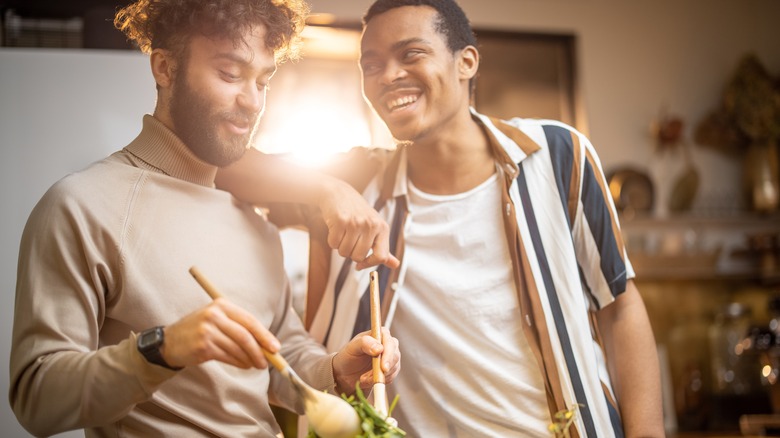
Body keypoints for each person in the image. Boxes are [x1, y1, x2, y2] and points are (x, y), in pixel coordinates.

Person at [216, 0, 665, 437]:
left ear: (466, 62)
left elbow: (619, 308)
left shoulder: (558, 154)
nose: (388, 76)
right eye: (371, 65)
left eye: (411, 54)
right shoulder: (356, 180)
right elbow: (224, 165)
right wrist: (325, 189)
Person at [8, 0, 401, 437]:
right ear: (165, 68)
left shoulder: (255, 222)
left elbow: (281, 354)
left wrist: (335, 370)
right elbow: (36, 399)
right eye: (230, 74)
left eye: (263, 81)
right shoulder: (82, 205)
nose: (252, 101)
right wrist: (163, 350)